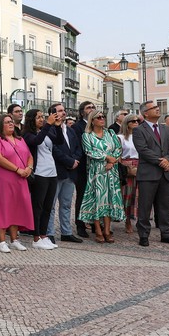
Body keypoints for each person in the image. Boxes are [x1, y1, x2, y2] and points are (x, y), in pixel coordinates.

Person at [131, 101, 169, 247]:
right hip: (148, 173)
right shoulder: (139, 130)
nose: (157, 109)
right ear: (145, 113)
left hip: (165, 173)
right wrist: (161, 161)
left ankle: (165, 233)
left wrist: (168, 160)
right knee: (145, 206)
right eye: (153, 108)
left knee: (165, 206)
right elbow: (143, 149)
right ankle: (144, 234)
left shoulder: (166, 129)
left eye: (157, 107)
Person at [0, 113, 34, 253]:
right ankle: (2, 241)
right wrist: (17, 169)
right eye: (7, 122)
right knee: (3, 207)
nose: (11, 124)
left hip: (20, 179)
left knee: (17, 207)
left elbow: (30, 156)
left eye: (11, 121)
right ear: (1, 125)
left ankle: (14, 240)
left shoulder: (20, 140)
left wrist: (29, 168)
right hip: (3, 180)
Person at [78, 111, 123, 244]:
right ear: (92, 120)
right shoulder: (87, 136)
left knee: (109, 200)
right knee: (97, 200)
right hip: (96, 172)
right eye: (98, 117)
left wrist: (111, 161)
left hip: (111, 171)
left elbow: (118, 148)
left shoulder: (111, 133)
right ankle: (98, 230)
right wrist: (106, 157)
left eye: (103, 117)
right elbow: (89, 152)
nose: (102, 119)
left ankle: (107, 230)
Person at [49, 102, 83, 244]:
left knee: (67, 204)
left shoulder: (70, 130)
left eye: (64, 110)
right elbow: (54, 149)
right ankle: (49, 232)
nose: (63, 113)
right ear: (53, 114)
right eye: (60, 110)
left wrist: (75, 160)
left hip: (71, 172)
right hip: (57, 171)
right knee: (51, 204)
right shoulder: (50, 130)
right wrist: (69, 162)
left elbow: (78, 147)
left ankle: (66, 232)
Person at [22, 109, 57, 249]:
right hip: (39, 173)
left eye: (43, 117)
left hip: (52, 172)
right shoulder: (27, 135)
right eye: (39, 117)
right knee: (38, 207)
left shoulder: (46, 131)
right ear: (31, 120)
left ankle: (44, 235)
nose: (42, 119)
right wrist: (48, 125)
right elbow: (36, 141)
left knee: (48, 206)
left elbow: (59, 141)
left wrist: (58, 126)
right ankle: (36, 237)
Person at [72, 101, 97, 238]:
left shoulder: (97, 125)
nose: (92, 109)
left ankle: (95, 224)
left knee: (95, 196)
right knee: (82, 197)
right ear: (82, 112)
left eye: (93, 107)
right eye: (89, 108)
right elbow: (78, 146)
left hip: (97, 167)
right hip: (82, 167)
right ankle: (80, 225)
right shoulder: (77, 127)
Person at [117, 112, 141, 234]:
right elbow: (118, 155)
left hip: (141, 166)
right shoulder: (120, 138)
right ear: (127, 123)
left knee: (141, 195)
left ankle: (140, 220)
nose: (136, 123)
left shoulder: (141, 136)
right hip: (127, 167)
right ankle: (127, 221)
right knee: (128, 195)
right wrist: (125, 168)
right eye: (133, 121)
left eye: (138, 121)